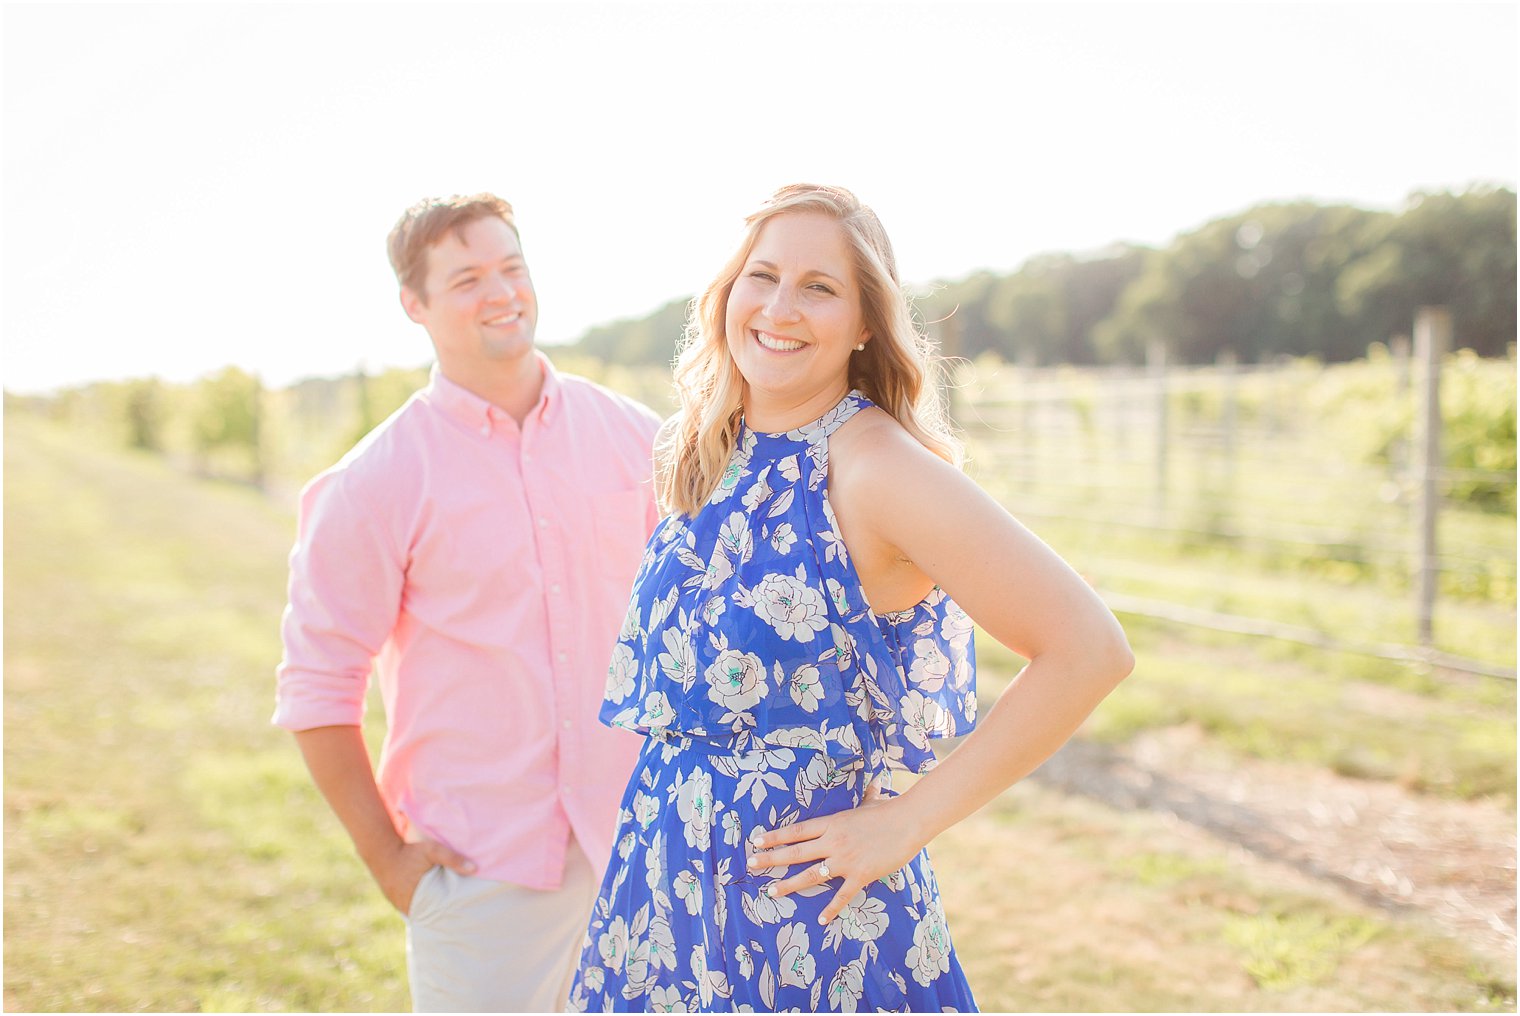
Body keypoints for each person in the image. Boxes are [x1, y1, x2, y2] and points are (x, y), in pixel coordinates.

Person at [565, 183, 1134, 1012]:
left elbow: (1089, 650)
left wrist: (907, 821)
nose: (780, 308)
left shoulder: (877, 468)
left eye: (820, 287)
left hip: (807, 925)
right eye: (762, 277)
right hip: (667, 899)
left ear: (866, 322)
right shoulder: (713, 449)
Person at [274, 193, 662, 1012]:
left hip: (648, 853)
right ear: (413, 305)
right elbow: (317, 688)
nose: (502, 293)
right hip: (484, 877)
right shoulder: (375, 483)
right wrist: (389, 861)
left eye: (511, 268)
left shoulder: (637, 438)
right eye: (467, 279)